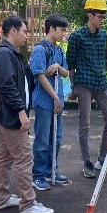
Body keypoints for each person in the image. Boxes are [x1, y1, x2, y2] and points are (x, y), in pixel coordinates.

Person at [0, 15, 54, 213]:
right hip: (10, 116)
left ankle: (2, 197)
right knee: (25, 157)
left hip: (8, 115)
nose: (27, 35)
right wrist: (20, 112)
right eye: (25, 31)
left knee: (5, 156)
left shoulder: (11, 53)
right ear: (13, 31)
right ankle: (28, 203)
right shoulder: (4, 55)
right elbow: (7, 86)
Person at [66, 0, 107, 178]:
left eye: (104, 16)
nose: (103, 20)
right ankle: (86, 162)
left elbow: (102, 59)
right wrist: (73, 86)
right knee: (84, 123)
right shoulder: (77, 36)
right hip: (84, 83)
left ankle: (102, 157)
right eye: (100, 16)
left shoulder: (104, 35)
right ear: (90, 15)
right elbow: (70, 63)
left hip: (101, 82)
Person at [29, 14, 70, 191]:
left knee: (57, 138)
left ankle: (51, 170)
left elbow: (66, 73)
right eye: (61, 30)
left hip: (57, 101)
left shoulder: (59, 50)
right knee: (42, 140)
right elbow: (39, 76)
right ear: (51, 28)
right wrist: (54, 97)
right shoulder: (40, 49)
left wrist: (58, 67)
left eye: (65, 30)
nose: (64, 34)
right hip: (45, 102)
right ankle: (37, 175)